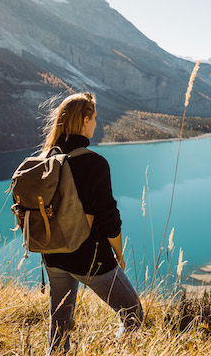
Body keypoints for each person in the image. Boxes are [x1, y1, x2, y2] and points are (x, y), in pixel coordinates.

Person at [38, 92, 143, 354]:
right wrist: (118, 252)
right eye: (94, 118)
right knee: (133, 314)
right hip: (90, 258)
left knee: (59, 327)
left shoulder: (46, 159)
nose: (96, 124)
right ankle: (115, 350)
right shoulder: (94, 163)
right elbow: (109, 217)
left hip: (52, 255)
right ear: (84, 120)